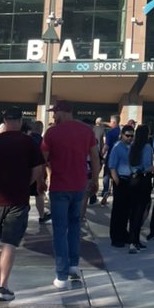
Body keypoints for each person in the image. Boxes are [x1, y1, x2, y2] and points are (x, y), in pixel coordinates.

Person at [0, 106, 46, 301]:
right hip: (18, 199)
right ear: (20, 121)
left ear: (4, 120)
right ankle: (4, 286)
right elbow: (38, 169)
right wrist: (25, 183)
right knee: (10, 243)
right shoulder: (28, 142)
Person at [42, 100, 100, 288]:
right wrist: (96, 179)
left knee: (60, 230)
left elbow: (42, 158)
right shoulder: (86, 131)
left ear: (61, 112)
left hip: (60, 186)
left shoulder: (52, 133)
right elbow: (94, 157)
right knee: (75, 226)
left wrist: (40, 179)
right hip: (79, 185)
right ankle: (73, 265)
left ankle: (61, 275)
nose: (53, 116)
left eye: (54, 112)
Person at [107, 123, 149, 250]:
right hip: (121, 180)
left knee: (127, 211)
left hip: (131, 181)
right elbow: (112, 166)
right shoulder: (117, 147)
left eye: (132, 136)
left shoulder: (133, 147)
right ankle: (115, 237)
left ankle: (124, 234)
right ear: (122, 135)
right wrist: (117, 182)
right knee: (118, 211)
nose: (130, 138)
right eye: (127, 135)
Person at [28, 120, 50, 222]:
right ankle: (41, 216)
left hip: (26, 171)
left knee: (25, 194)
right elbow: (46, 158)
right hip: (39, 172)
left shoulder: (26, 139)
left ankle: (23, 216)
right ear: (41, 129)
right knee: (39, 194)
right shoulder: (43, 141)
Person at [100, 115, 121, 206]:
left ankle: (105, 191)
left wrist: (101, 155)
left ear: (113, 122)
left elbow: (106, 146)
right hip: (120, 158)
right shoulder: (122, 132)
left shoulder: (110, 133)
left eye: (110, 122)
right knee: (116, 175)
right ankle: (115, 192)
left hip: (110, 157)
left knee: (106, 176)